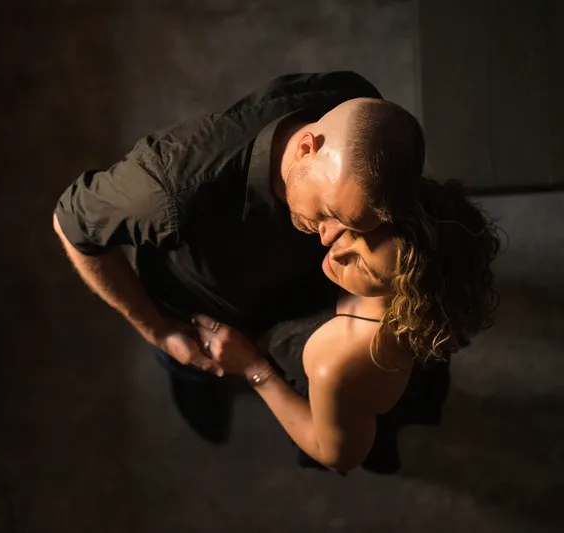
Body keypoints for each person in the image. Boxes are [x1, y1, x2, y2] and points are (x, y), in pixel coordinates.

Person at [53, 71, 425, 446]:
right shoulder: (166, 190)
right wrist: (156, 329)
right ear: (305, 148)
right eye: (328, 213)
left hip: (296, 298)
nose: (331, 238)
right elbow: (69, 224)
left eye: (349, 223)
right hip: (199, 323)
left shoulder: (357, 103)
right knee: (204, 405)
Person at [190, 177, 501, 473]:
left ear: (406, 297)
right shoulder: (368, 243)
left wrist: (254, 370)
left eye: (365, 266)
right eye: (354, 232)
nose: (336, 249)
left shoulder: (343, 362)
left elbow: (336, 455)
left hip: (351, 389)